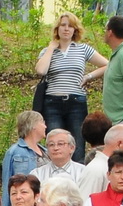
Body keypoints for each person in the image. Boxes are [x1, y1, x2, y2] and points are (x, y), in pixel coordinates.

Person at [33, 13, 105, 153]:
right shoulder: (47, 51)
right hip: (52, 103)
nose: (66, 29)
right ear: (57, 29)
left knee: (77, 146)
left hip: (76, 102)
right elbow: (41, 70)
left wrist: (88, 76)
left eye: (70, 26)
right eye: (63, 25)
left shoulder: (83, 49)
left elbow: (107, 65)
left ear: (75, 30)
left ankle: (77, 174)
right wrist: (51, 48)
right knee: (56, 145)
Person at [0, 112, 46, 206]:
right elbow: (7, 182)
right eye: (42, 122)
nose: (45, 126)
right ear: (33, 125)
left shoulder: (46, 151)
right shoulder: (14, 152)